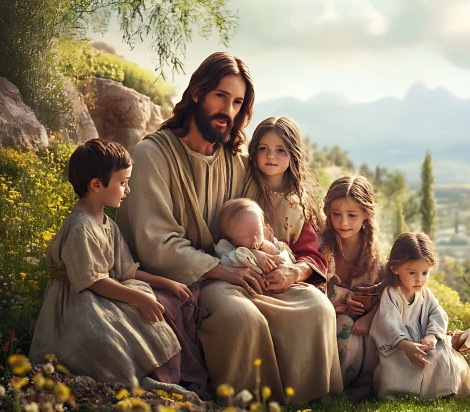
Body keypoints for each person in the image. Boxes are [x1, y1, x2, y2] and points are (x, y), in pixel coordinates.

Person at [116, 52, 342, 404]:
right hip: (193, 277)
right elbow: (155, 243)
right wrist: (222, 271)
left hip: (240, 266)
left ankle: (312, 401)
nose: (228, 110)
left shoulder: (236, 162)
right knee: (242, 319)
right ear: (196, 93)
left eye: (237, 102)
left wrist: (283, 267)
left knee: (313, 304)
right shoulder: (153, 156)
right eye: (221, 96)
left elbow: (262, 224)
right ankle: (249, 405)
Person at [29, 138, 184, 389]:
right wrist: (139, 298)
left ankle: (152, 372)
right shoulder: (80, 226)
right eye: (123, 183)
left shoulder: (107, 224)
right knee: (106, 336)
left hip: (103, 291)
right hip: (77, 302)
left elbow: (125, 270)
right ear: (96, 184)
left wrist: (168, 283)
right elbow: (93, 280)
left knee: (150, 310)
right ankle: (129, 378)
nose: (128, 190)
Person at [370, 232, 470, 400]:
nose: (419, 279)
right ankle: (406, 392)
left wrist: (432, 335)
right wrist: (406, 345)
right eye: (412, 273)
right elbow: (388, 323)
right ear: (395, 268)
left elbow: (437, 313)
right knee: (406, 365)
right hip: (399, 348)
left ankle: (445, 391)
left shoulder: (425, 294)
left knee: (440, 354)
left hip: (423, 343)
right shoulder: (392, 294)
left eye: (425, 273)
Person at [242, 116, 328, 287]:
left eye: (280, 150)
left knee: (318, 307)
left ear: (293, 154)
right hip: (244, 272)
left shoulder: (299, 204)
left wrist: (293, 273)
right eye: (263, 148)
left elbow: (309, 255)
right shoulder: (244, 186)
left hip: (283, 280)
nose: (271, 156)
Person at [321, 176, 383, 397]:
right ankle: (339, 385)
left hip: (367, 321)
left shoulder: (374, 255)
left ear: (367, 214)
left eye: (352, 215)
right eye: (336, 214)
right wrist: (344, 299)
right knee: (344, 324)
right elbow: (315, 285)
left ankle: (368, 380)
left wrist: (368, 316)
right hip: (330, 317)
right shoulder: (323, 246)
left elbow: (385, 295)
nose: (343, 222)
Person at [215, 198, 295, 275]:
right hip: (242, 286)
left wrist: (273, 251)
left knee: (305, 289)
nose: (254, 238)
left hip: (276, 285)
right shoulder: (226, 247)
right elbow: (227, 262)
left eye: (257, 232)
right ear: (229, 239)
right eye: (245, 235)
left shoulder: (272, 243)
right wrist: (253, 254)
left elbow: (290, 265)